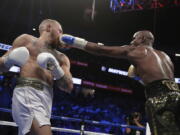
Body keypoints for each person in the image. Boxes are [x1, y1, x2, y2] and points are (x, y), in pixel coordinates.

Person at [59, 30, 180, 135]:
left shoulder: (134, 50)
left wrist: (74, 41)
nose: (132, 41)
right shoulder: (165, 56)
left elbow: (100, 49)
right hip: (176, 94)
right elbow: (160, 81)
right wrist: (138, 78)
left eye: (134, 38)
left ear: (142, 38)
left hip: (158, 99)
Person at [0, 19, 73, 135]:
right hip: (28, 93)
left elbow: (68, 86)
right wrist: (9, 60)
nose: (62, 35)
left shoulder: (62, 58)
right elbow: (1, 67)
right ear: (49, 28)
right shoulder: (26, 40)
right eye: (60, 31)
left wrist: (56, 69)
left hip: (47, 99)